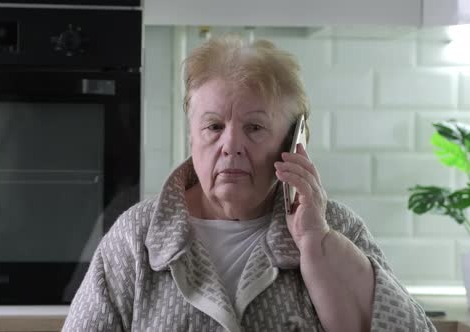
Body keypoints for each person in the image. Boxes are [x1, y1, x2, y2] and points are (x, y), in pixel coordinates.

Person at [62, 35, 436, 332]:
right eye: (213, 127)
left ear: (294, 143)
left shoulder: (337, 227)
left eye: (254, 128)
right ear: (191, 137)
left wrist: (316, 244)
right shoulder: (136, 238)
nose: (231, 145)